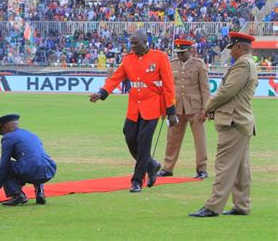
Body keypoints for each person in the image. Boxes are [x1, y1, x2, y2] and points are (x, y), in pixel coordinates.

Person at [90, 30, 178, 193]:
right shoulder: (128, 59)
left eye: (135, 43)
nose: (132, 46)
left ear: (146, 42)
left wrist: (171, 111)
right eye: (131, 43)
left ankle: (137, 181)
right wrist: (102, 93)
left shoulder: (160, 57)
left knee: (144, 143)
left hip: (152, 107)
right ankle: (150, 164)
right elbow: (116, 78)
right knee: (130, 137)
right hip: (134, 107)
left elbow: (168, 85)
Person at [189, 32, 258, 217]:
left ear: (239, 47)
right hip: (241, 120)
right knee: (241, 168)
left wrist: (207, 107)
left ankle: (213, 206)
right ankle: (242, 205)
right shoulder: (250, 64)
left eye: (232, 49)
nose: (231, 53)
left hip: (233, 121)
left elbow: (227, 91)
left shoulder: (243, 64)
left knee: (224, 165)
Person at [157, 40, 211, 179]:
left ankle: (201, 169)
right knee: (172, 139)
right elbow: (167, 88)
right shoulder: (172, 64)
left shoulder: (199, 65)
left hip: (195, 108)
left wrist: (206, 108)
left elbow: (205, 90)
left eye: (182, 53)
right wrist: (165, 108)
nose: (180, 55)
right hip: (176, 108)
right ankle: (168, 168)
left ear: (190, 51)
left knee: (200, 140)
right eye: (178, 53)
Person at [0, 114, 57, 206]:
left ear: (6, 127)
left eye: (2, 131)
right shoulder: (31, 134)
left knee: (0, 165)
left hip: (30, 171)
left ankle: (17, 194)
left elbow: (3, 166)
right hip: (49, 170)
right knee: (35, 162)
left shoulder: (8, 137)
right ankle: (39, 191)